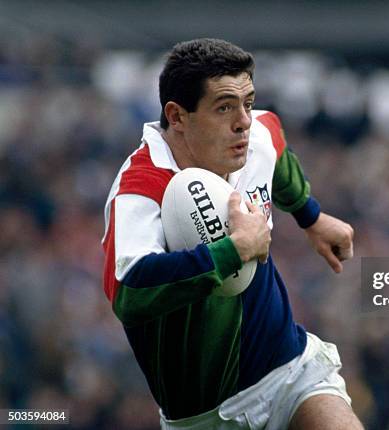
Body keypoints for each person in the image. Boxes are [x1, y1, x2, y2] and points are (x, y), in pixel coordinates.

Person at [101, 38, 362, 429]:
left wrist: (311, 217)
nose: (243, 120)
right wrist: (232, 251)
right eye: (224, 107)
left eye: (248, 102)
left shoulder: (252, 136)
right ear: (177, 116)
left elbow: (276, 150)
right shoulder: (140, 187)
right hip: (204, 417)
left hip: (289, 373)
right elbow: (129, 292)